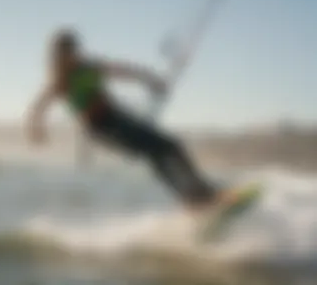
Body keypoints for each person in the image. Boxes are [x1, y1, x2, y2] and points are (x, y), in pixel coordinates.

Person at [26, 26, 231, 211]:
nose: (72, 55)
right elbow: (38, 107)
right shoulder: (59, 83)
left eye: (74, 50)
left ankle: (198, 194)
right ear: (58, 56)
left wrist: (150, 79)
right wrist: (36, 130)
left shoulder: (89, 67)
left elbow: (122, 70)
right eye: (67, 52)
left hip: (117, 117)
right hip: (101, 128)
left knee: (167, 148)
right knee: (159, 150)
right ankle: (196, 196)